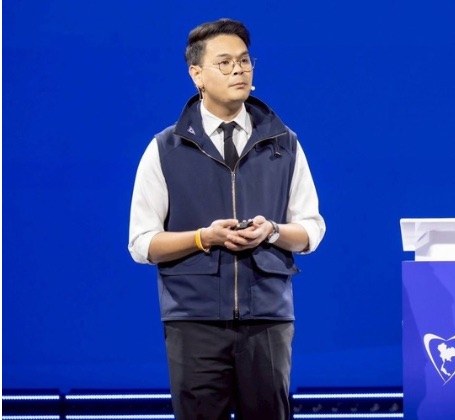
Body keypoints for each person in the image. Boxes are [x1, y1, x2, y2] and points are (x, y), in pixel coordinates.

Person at [128, 18, 325, 420]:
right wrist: (204, 238)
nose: (239, 70)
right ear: (196, 74)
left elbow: (311, 229)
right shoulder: (165, 148)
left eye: (245, 61)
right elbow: (142, 243)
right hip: (193, 319)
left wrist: (271, 231)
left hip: (267, 317)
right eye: (225, 63)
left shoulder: (284, 144)